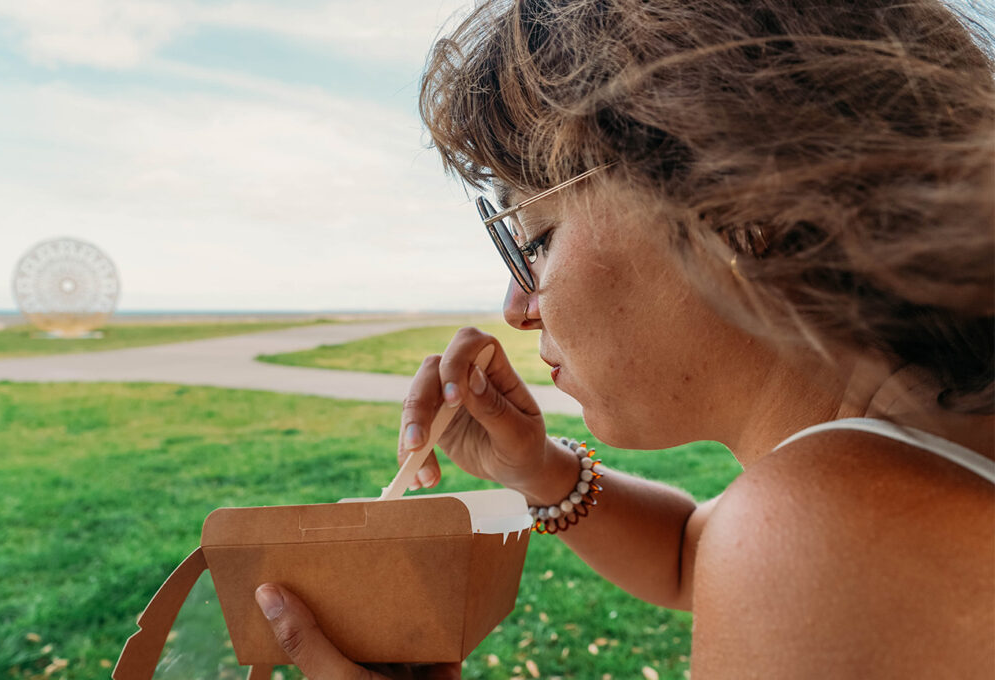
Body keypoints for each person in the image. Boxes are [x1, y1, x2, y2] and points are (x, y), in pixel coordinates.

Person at [252, 1, 995, 677]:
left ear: (739, 201)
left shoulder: (824, 534)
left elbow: (755, 553)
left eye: (534, 242)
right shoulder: (925, 441)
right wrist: (538, 468)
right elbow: (685, 557)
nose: (518, 308)